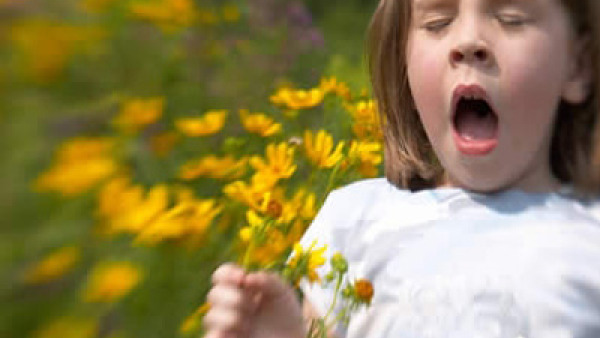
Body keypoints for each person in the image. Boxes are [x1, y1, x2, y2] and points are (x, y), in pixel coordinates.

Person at [203, 0, 600, 337]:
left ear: (577, 65)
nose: (467, 43)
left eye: (511, 17)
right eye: (437, 22)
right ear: (404, 62)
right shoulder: (356, 219)